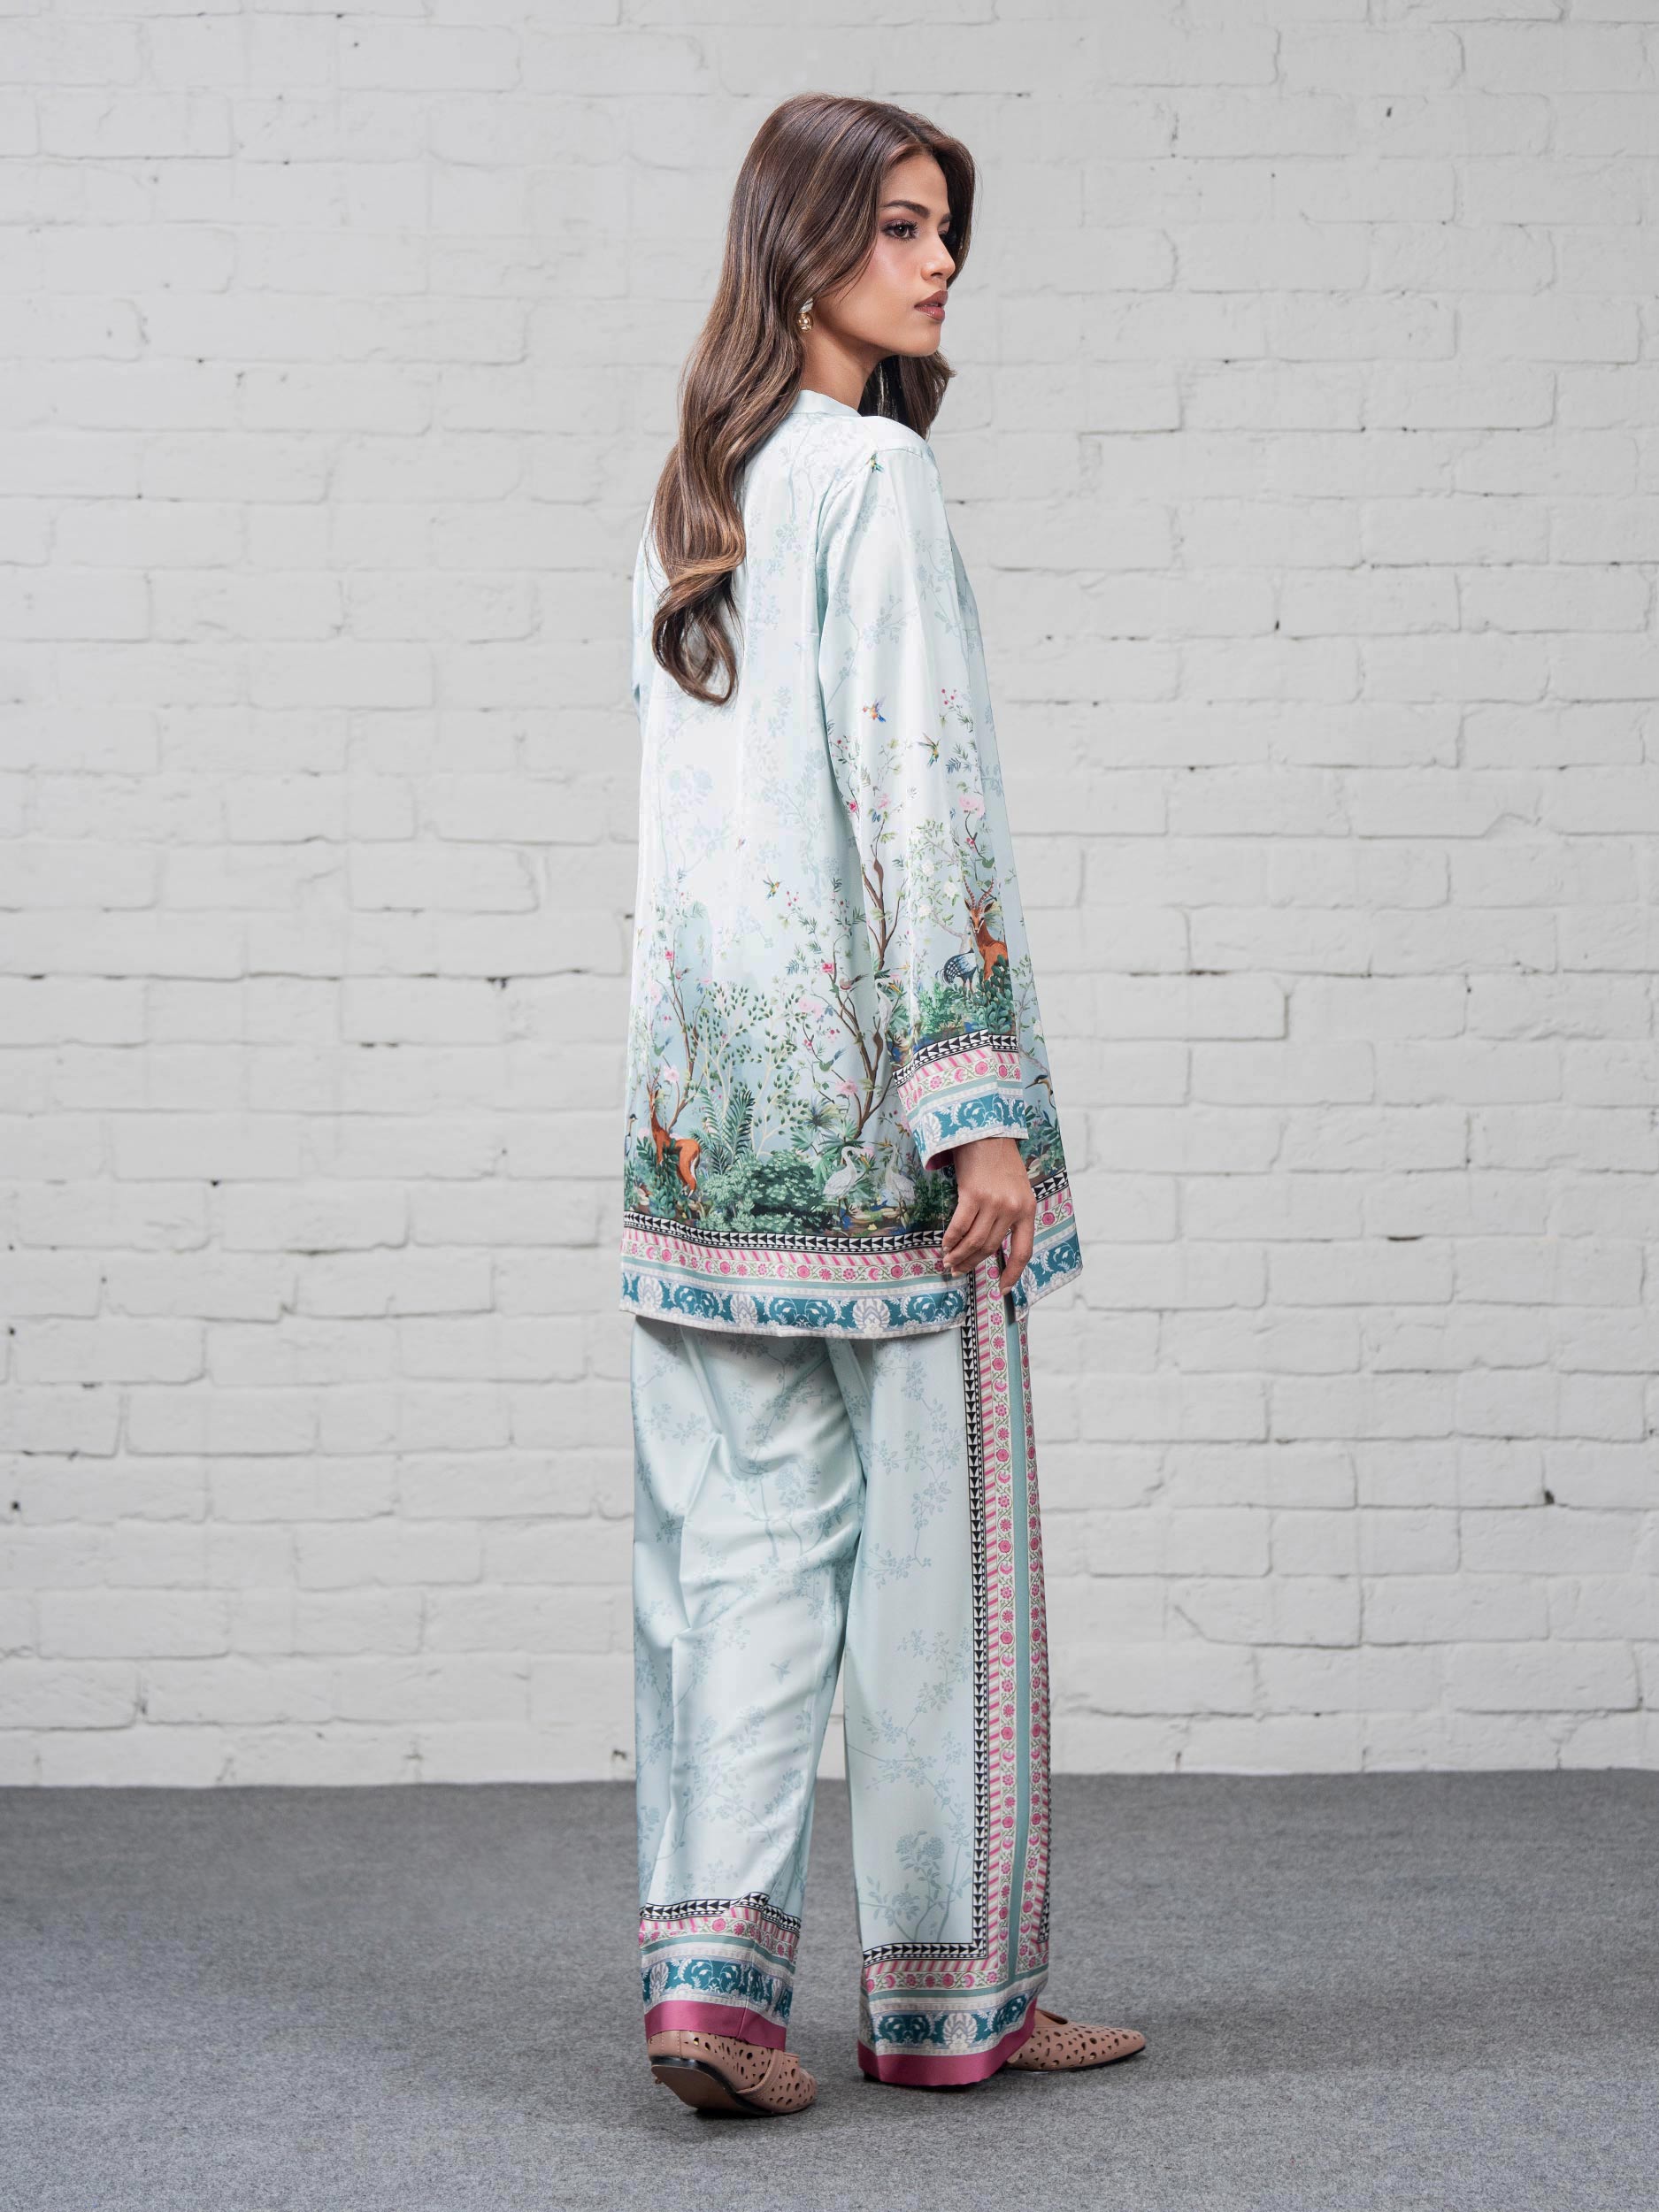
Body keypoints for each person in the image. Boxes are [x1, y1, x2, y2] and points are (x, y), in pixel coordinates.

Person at [620, 90, 1146, 2117]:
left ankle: (710, 1992)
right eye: (902, 225)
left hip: (704, 1150)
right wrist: (972, 1107)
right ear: (806, 239)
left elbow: (687, 864)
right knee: (939, 1591)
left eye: (946, 230)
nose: (938, 264)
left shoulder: (697, 494)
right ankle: (947, 2003)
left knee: (738, 1567)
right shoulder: (873, 478)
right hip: (884, 1149)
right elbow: (916, 801)